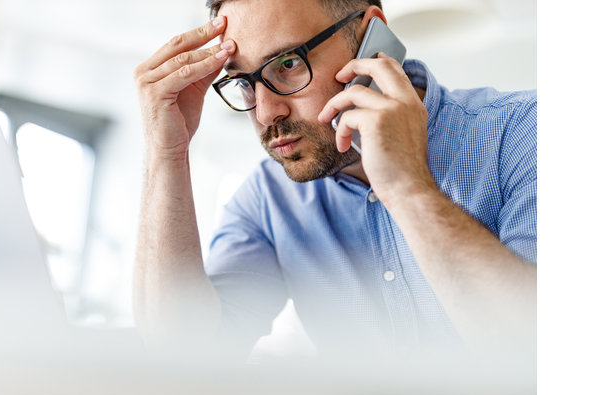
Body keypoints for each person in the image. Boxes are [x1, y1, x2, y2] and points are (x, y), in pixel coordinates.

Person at [132, 0, 536, 361]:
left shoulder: (526, 132)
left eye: (288, 64)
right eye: (243, 82)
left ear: (369, 37)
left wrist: (406, 187)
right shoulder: (267, 197)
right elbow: (185, 356)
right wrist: (167, 153)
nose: (266, 112)